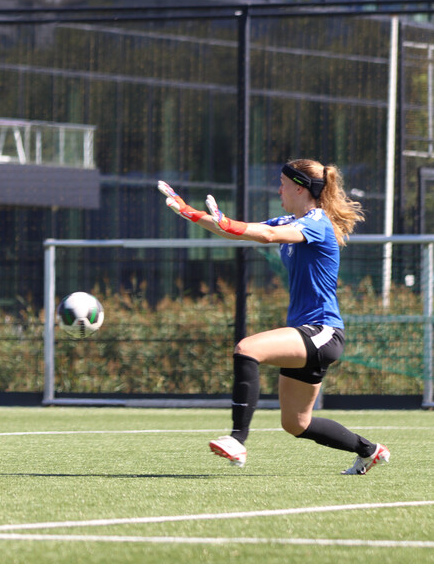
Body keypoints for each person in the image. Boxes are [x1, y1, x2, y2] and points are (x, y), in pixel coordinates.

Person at [158, 159, 390, 475]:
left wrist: (227, 223)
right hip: (307, 332)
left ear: (299, 187)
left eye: (282, 182)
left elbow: (266, 235)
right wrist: (189, 212)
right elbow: (242, 232)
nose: (278, 189)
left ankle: (237, 440)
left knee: (248, 349)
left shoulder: (316, 222)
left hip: (323, 331)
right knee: (296, 423)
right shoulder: (290, 220)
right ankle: (369, 451)